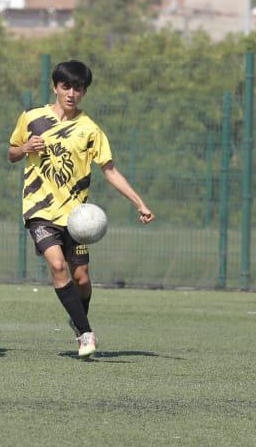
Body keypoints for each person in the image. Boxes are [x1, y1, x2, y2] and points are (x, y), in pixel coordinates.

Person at [8, 59, 154, 359]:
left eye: (78, 88)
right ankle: (86, 333)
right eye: (66, 87)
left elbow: (109, 170)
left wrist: (139, 203)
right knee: (58, 266)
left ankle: (77, 319)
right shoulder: (32, 118)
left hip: (76, 217)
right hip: (39, 211)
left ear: (84, 92)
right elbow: (12, 153)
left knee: (82, 279)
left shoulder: (89, 129)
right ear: (55, 87)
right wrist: (25, 149)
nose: (71, 93)